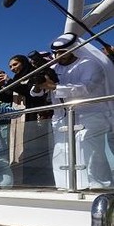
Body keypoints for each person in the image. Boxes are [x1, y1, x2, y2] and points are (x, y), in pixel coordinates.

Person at [32, 33, 114, 190]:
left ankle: (100, 187)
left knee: (89, 152)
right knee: (61, 153)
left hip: (90, 115)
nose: (58, 56)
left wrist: (54, 87)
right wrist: (39, 84)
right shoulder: (52, 68)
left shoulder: (90, 64)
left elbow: (86, 88)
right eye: (56, 53)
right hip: (62, 118)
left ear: (74, 49)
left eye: (62, 52)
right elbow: (35, 93)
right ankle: (66, 187)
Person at [0, 54, 54, 187]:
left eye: (15, 64)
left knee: (35, 149)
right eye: (10, 66)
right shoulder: (16, 78)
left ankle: (40, 181)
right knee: (20, 150)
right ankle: (23, 181)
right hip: (18, 119)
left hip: (33, 117)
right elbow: (7, 98)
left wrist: (10, 81)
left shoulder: (33, 74)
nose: (12, 68)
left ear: (24, 63)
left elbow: (29, 92)